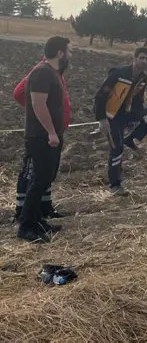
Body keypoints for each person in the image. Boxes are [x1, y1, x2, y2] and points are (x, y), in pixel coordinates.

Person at [16, 36, 71, 243]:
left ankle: (37, 220)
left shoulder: (52, 73)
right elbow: (38, 104)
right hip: (41, 137)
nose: (69, 55)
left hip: (49, 136)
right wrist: (51, 132)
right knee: (39, 180)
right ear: (60, 53)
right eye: (68, 51)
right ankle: (26, 227)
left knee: (46, 178)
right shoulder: (41, 73)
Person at [93, 47, 147, 196]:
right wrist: (101, 119)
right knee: (117, 149)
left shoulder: (143, 78)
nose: (144, 61)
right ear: (135, 58)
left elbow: (138, 101)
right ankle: (115, 185)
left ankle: (130, 138)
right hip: (111, 116)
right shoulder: (118, 74)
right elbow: (100, 96)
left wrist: (144, 115)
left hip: (127, 113)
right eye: (142, 58)